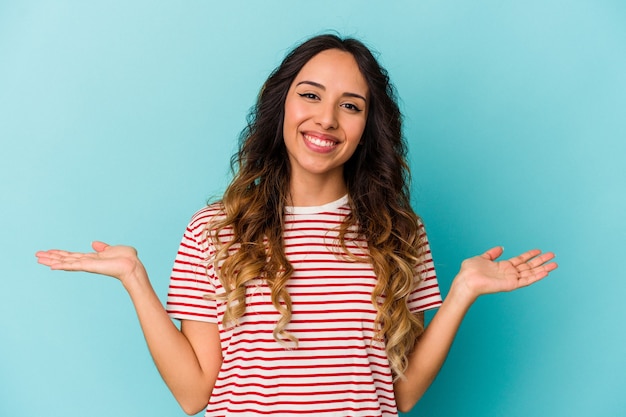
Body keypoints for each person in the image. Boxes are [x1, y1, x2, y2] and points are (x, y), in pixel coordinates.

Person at [36, 34, 557, 417]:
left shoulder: (399, 232)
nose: (326, 118)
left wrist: (462, 291)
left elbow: (398, 394)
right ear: (281, 105)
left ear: (366, 130)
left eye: (349, 106)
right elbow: (194, 394)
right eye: (310, 95)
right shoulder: (214, 230)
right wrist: (133, 277)